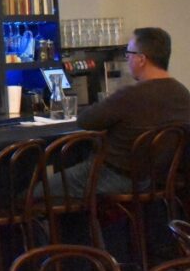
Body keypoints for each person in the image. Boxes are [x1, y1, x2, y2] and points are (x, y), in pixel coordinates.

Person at [46, 27, 190, 198]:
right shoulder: (183, 94)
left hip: (113, 177)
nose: (127, 59)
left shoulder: (130, 95)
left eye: (128, 54)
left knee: (33, 192)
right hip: (157, 180)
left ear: (141, 59)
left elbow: (86, 120)